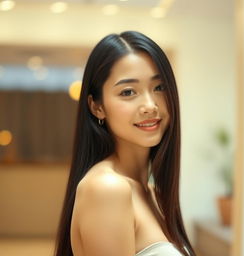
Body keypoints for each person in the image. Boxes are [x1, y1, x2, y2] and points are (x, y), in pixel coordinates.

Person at [54, 31, 195, 256]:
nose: (150, 105)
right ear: (97, 107)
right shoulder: (107, 188)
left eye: (159, 87)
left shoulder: (153, 192)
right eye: (128, 92)